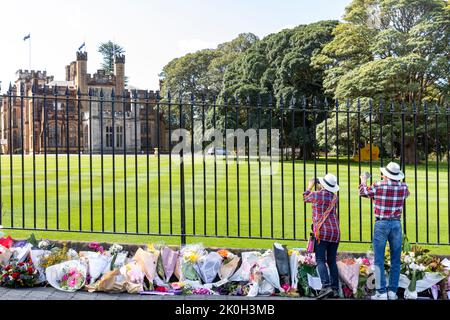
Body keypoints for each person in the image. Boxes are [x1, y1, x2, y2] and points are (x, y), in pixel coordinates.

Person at [359, 162, 410, 300]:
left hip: (381, 223)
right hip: (396, 223)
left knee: (379, 259)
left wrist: (363, 180)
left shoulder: (379, 185)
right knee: (395, 259)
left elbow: (363, 192)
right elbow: (405, 195)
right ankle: (392, 291)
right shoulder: (404, 187)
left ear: (386, 175)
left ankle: (381, 292)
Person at [303, 173, 340, 299]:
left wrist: (310, 185)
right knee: (332, 260)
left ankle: (326, 286)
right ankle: (335, 288)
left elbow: (305, 197)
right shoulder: (335, 197)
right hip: (335, 232)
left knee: (320, 260)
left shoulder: (317, 195)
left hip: (322, 232)